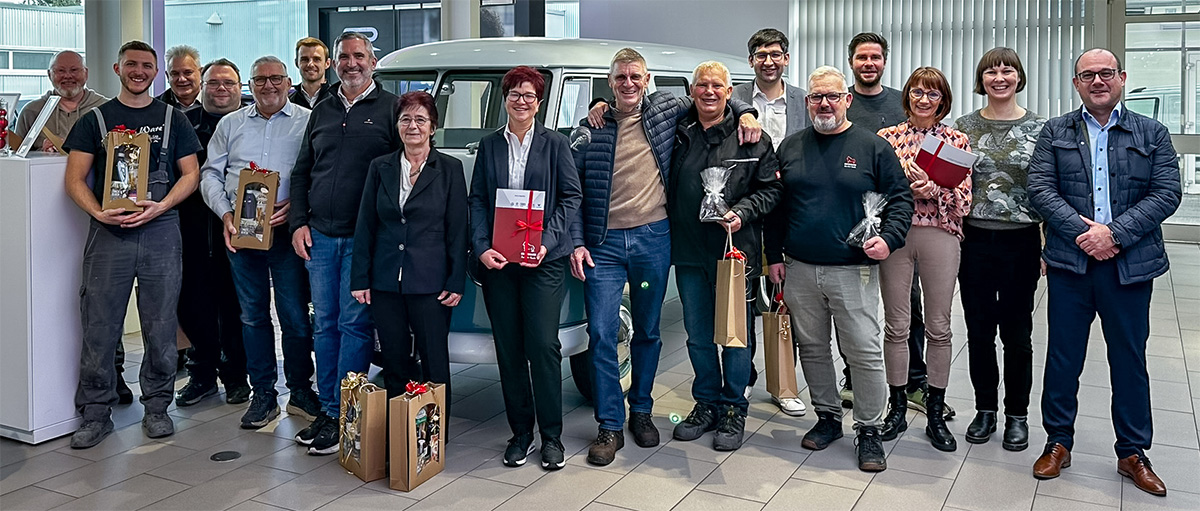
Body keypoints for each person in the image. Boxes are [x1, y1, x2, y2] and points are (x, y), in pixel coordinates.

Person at [572, 47, 761, 466]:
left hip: (652, 239)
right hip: (603, 244)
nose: (628, 84)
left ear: (647, 79)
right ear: (610, 82)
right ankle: (608, 423)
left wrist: (748, 113)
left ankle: (640, 411)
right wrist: (577, 240)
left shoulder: (664, 111)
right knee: (602, 334)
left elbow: (715, 94)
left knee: (648, 331)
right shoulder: (590, 128)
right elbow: (574, 191)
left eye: (635, 77)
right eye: (620, 78)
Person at [1028, 48, 1181, 496]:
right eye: (1087, 75)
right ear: (1076, 83)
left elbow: (1166, 193)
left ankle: (1132, 452)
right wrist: (1084, 233)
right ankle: (1058, 442)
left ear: (1122, 78)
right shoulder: (1055, 131)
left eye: (1106, 73)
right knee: (1062, 356)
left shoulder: (1152, 133)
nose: (1098, 81)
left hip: (1130, 265)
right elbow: (1041, 188)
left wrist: (1113, 234)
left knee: (1129, 359)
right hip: (1071, 263)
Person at [764, 66, 912, 472]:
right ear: (807, 101)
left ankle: (869, 428)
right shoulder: (791, 147)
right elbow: (777, 207)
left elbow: (900, 199)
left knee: (863, 351)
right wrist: (774, 255)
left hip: (854, 269)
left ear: (847, 99)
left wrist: (891, 238)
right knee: (812, 348)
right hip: (799, 268)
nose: (824, 103)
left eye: (832, 96)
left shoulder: (873, 147)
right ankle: (828, 417)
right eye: (816, 97)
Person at [62, 40, 203, 449]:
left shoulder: (174, 120)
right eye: (131, 65)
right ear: (117, 68)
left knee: (160, 325)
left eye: (146, 66)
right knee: (100, 325)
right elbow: (74, 179)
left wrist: (160, 207)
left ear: (155, 72)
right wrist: (98, 212)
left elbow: (190, 175)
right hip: (109, 234)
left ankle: (157, 406)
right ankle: (95, 412)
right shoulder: (95, 120)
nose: (139, 72)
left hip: (161, 230)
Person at [289, 31, 401, 456]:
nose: (351, 63)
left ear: (373, 61)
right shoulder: (322, 109)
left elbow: (400, 176)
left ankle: (346, 413)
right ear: (334, 63)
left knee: (354, 326)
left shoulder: (391, 109)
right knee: (325, 323)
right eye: (344, 57)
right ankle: (329, 408)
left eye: (359, 56)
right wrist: (299, 222)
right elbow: (302, 172)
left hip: (362, 238)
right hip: (318, 236)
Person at [469, 66, 582, 471]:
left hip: (542, 263)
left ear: (540, 102)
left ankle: (551, 437)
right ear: (505, 99)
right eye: (515, 94)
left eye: (529, 95)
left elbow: (571, 197)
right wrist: (481, 247)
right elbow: (478, 201)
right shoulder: (489, 145)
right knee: (510, 349)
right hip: (499, 262)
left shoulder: (556, 144)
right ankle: (520, 434)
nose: (521, 101)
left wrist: (547, 242)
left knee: (544, 346)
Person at [199, 55, 321, 429]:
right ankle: (264, 393)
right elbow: (210, 175)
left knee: (295, 317)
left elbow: (320, 171)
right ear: (250, 85)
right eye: (260, 80)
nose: (268, 85)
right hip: (243, 234)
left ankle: (300, 390)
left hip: (288, 234)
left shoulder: (307, 121)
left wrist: (299, 207)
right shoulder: (230, 124)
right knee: (252, 316)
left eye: (275, 79)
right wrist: (226, 214)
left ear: (288, 82)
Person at [669, 61, 782, 451]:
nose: (710, 92)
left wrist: (742, 213)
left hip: (735, 254)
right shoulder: (678, 131)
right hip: (687, 252)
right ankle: (707, 402)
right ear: (692, 89)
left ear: (730, 91)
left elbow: (771, 191)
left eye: (718, 86)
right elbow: (636, 103)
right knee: (698, 336)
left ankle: (734, 407)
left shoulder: (752, 137)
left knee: (735, 337)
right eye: (702, 85)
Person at [842, 33, 950, 421]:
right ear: (851, 61)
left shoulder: (897, 105)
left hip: (903, 227)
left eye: (875, 57)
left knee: (912, 310)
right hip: (854, 220)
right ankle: (854, 377)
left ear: (884, 62)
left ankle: (916, 380)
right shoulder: (844, 102)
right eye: (861, 57)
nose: (868, 63)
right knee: (857, 304)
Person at [953, 47, 1046, 452]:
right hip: (973, 240)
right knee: (977, 331)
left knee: (1017, 332)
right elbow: (951, 183)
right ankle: (985, 409)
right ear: (982, 80)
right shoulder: (962, 126)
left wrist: (1047, 245)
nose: (999, 77)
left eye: (1007, 70)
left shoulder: (1042, 129)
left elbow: (1049, 190)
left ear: (1019, 77)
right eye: (991, 72)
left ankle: (1018, 415)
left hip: (1021, 241)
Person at [875, 67, 972, 452]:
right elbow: (873, 192)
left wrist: (933, 188)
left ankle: (934, 410)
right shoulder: (886, 139)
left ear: (943, 99)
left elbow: (963, 203)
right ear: (908, 96)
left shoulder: (957, 140)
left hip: (940, 235)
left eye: (932, 93)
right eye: (917, 92)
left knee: (939, 327)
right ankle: (896, 408)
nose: (924, 99)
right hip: (896, 236)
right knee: (897, 325)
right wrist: (902, 185)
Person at [351, 91, 467, 406]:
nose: (412, 126)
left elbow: (458, 229)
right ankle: (400, 436)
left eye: (420, 119)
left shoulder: (449, 169)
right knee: (394, 359)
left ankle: (432, 437)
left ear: (433, 127)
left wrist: (457, 279)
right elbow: (366, 225)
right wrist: (360, 277)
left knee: (434, 362)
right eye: (405, 119)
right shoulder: (380, 167)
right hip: (385, 280)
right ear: (397, 126)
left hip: (431, 282)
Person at [730, 27, 808, 417]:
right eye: (761, 55)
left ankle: (784, 382)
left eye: (776, 54)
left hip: (791, 211)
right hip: (746, 209)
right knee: (743, 299)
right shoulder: (734, 97)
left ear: (787, 59)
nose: (769, 61)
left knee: (784, 299)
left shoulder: (804, 101)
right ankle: (743, 377)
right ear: (751, 61)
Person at [174, 58, 251, 409]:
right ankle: (202, 372)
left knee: (236, 308)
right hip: (189, 231)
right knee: (191, 306)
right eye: (214, 83)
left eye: (229, 83)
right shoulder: (181, 124)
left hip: (239, 231)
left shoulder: (252, 124)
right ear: (202, 87)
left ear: (240, 88)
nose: (222, 89)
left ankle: (237, 376)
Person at [12, 50, 108, 152]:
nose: (67, 76)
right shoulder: (31, 112)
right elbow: (17, 157)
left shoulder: (105, 108)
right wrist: (41, 152)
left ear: (86, 73)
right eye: (61, 71)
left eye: (74, 70)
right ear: (49, 75)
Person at [291, 37, 333, 109]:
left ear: (327, 63)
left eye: (316, 59)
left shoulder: (338, 101)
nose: (310, 64)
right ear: (296, 63)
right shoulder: (288, 103)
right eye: (305, 59)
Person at [158, 45, 202, 113]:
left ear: (201, 73)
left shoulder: (218, 103)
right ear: (167, 76)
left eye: (187, 72)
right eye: (175, 73)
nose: (182, 79)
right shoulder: (155, 108)